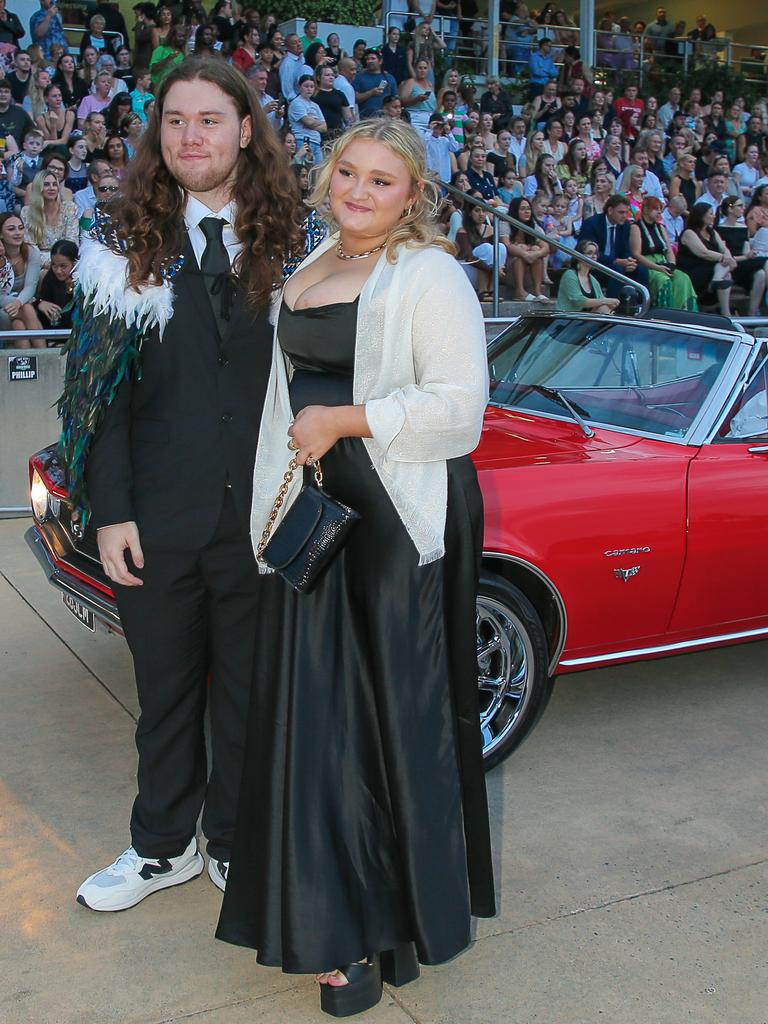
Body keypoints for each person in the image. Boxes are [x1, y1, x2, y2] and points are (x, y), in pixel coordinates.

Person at [215, 116, 494, 1018]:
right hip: (320, 515)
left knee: (388, 727)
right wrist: (277, 491)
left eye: (383, 180)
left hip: (394, 518)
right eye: (349, 174)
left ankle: (383, 934)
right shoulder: (312, 264)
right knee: (320, 725)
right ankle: (328, 919)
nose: (361, 192)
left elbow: (460, 412)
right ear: (327, 177)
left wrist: (345, 422)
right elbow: (281, 400)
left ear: (413, 193)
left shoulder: (429, 273)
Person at [61, 57, 302, 914]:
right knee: (164, 697)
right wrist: (114, 512)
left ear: (246, 129)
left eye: (209, 119)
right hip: (157, 522)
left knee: (247, 693)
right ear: (156, 135)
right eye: (174, 120)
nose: (190, 135)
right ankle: (161, 848)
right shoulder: (118, 246)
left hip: (263, 522)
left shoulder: (297, 241)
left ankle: (234, 840)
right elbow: (98, 403)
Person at [629, 196, 697, 310]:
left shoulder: (660, 227)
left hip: (663, 262)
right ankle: (663, 312)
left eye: (660, 208)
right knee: (663, 280)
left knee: (683, 278)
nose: (659, 212)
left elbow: (669, 251)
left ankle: (684, 312)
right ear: (645, 209)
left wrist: (671, 264)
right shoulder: (636, 227)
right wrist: (658, 268)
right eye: (655, 209)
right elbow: (636, 254)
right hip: (648, 264)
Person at [579, 194, 649, 298]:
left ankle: (641, 306)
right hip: (595, 265)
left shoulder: (625, 225)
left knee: (641, 270)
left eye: (626, 212)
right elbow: (588, 252)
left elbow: (626, 249)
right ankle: (613, 307)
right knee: (616, 270)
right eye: (621, 212)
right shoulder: (592, 223)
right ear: (610, 210)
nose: (625, 216)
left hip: (617, 264)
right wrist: (615, 261)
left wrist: (629, 261)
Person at [677, 202, 736, 315]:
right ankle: (726, 314)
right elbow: (703, 253)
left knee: (725, 273)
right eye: (710, 214)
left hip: (711, 271)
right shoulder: (689, 233)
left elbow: (724, 249)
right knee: (725, 270)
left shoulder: (712, 232)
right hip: (693, 271)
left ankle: (717, 283)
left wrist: (728, 257)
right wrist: (726, 259)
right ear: (701, 215)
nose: (714, 216)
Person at [716, 195, 768, 314]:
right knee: (765, 262)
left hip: (743, 263)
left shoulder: (743, 228)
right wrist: (746, 257)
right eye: (739, 206)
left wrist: (749, 254)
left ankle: (752, 313)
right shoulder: (719, 229)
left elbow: (745, 251)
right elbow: (724, 255)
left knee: (760, 274)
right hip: (729, 264)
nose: (743, 208)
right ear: (730, 209)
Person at [20, 167, 77, 266]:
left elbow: (72, 242)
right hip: (38, 263)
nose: (51, 188)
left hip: (66, 261)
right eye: (46, 184)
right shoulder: (27, 212)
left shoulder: (70, 208)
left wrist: (59, 263)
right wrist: (53, 263)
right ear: (38, 188)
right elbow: (30, 250)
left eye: (54, 184)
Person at [0, 211, 42, 343]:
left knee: (19, 325)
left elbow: (31, 286)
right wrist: (17, 303)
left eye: (21, 228)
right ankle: (46, 357)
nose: (18, 233)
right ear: (0, 234)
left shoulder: (32, 252)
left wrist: (18, 303)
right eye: (11, 229)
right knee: (27, 309)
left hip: (22, 304)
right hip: (3, 307)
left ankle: (33, 359)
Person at [555, 238, 619, 312]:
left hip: (585, 319)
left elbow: (601, 299)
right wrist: (606, 301)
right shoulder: (570, 275)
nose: (594, 256)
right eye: (589, 253)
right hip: (568, 319)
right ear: (579, 256)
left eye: (595, 253)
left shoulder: (593, 280)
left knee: (604, 308)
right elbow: (579, 301)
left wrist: (611, 304)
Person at [505, 194, 550, 300]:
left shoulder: (534, 226)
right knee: (520, 252)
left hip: (530, 271)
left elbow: (546, 248)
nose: (527, 212)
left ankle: (537, 292)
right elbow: (506, 245)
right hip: (509, 271)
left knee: (536, 251)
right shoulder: (505, 223)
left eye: (529, 209)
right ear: (515, 211)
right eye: (522, 209)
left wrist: (534, 254)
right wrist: (524, 254)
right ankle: (519, 291)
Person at [33, 235, 76, 331]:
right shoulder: (50, 278)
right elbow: (40, 300)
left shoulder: (84, 284)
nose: (58, 271)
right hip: (51, 333)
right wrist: (40, 303)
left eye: (63, 266)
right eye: (54, 265)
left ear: (75, 263)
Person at [288, 74, 326, 165]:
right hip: (303, 141)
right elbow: (308, 122)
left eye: (312, 87)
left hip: (317, 142)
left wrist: (311, 123)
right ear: (299, 87)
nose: (309, 89)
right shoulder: (296, 103)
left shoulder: (315, 105)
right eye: (306, 86)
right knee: (303, 171)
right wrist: (315, 123)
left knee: (317, 175)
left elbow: (325, 127)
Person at [354, 48, 397, 119]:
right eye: (368, 59)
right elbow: (355, 99)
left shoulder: (389, 77)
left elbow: (395, 98)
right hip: (366, 118)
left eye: (373, 58)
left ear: (380, 61)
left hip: (386, 118)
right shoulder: (359, 77)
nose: (370, 61)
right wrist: (371, 93)